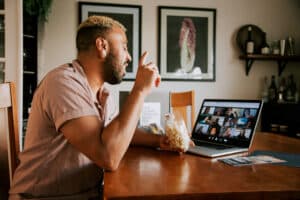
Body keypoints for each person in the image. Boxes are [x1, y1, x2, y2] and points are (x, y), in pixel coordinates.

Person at [9, 16, 193, 200]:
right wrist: (139, 90)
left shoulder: (102, 93)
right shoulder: (62, 83)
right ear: (102, 46)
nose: (128, 57)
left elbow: (117, 134)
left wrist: (160, 140)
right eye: (124, 47)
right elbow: (108, 156)